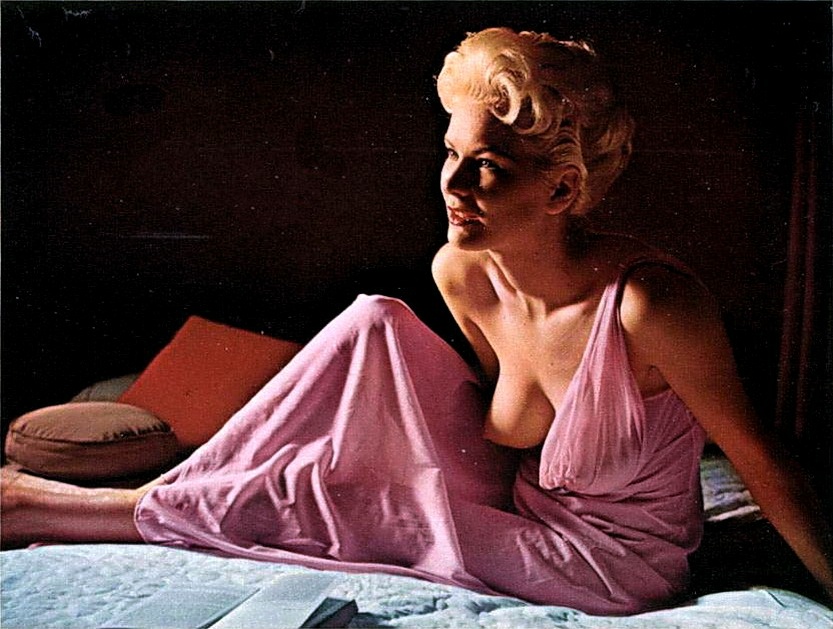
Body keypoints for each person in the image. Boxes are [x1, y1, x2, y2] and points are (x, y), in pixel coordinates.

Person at [2, 27, 832, 615]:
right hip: (519, 502)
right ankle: (169, 492)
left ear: (560, 188)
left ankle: (66, 507)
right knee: (375, 325)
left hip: (607, 565)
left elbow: (763, 463)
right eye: (450, 154)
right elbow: (495, 427)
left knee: (353, 504)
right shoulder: (461, 272)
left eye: (487, 166)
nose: (453, 185)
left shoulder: (650, 306)